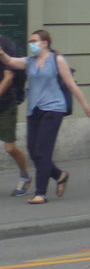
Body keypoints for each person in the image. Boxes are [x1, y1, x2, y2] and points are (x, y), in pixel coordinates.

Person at [0, 29, 90, 205]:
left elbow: (72, 85)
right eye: (30, 41)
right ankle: (59, 175)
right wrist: (1, 53)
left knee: (43, 151)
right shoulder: (29, 62)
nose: (31, 44)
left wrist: (86, 107)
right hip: (34, 110)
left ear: (44, 43)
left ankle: (40, 193)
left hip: (53, 109)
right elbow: (9, 61)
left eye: (34, 41)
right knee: (33, 151)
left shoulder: (57, 60)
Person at [0, 34, 32, 196]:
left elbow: (8, 78)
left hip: (5, 104)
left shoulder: (6, 45)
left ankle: (25, 176)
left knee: (10, 148)